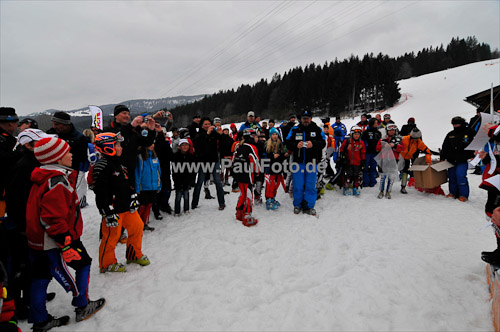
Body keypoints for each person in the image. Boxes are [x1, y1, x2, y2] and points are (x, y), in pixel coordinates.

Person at [26, 137, 105, 331]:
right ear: (56, 158)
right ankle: (82, 305)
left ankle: (40, 319)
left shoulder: (43, 175)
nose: (71, 155)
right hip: (56, 239)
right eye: (66, 152)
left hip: (39, 238)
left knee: (40, 276)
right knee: (84, 263)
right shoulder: (57, 180)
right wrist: (66, 243)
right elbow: (53, 217)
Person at [5, 129, 54, 319]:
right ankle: (18, 305)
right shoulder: (23, 166)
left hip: (31, 223)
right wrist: (23, 226)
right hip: (21, 226)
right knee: (21, 266)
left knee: (32, 265)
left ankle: (30, 298)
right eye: (41, 143)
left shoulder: (34, 162)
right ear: (29, 145)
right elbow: (16, 199)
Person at [92, 132, 150, 273]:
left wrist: (133, 197)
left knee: (137, 227)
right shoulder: (102, 166)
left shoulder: (120, 163)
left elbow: (128, 183)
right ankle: (107, 263)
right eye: (117, 145)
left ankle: (133, 254)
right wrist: (106, 210)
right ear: (107, 147)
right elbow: (100, 192)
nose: (121, 148)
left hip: (126, 206)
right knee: (112, 236)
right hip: (113, 209)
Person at [103, 105, 157, 189]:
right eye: (124, 113)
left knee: (129, 198)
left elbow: (146, 143)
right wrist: (131, 126)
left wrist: (152, 130)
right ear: (116, 116)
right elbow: (116, 137)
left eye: (128, 114)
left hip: (131, 171)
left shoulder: (133, 131)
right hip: (114, 171)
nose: (127, 116)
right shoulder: (108, 129)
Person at [285, 110, 326, 215]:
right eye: (304, 118)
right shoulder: (295, 129)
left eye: (307, 118)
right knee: (298, 185)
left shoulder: (317, 129)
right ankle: (297, 205)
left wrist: (313, 144)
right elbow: (287, 143)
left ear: (311, 118)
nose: (306, 120)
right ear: (301, 119)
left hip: (312, 162)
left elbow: (323, 143)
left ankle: (309, 205)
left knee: (310, 185)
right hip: (298, 163)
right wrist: (295, 145)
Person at [47, 112, 90, 204]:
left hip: (71, 172)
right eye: (53, 124)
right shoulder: (51, 134)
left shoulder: (79, 138)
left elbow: (80, 158)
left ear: (66, 124)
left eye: (57, 124)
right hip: (52, 171)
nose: (54, 127)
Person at [192, 118, 226, 210]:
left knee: (218, 182)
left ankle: (222, 203)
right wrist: (207, 134)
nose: (207, 126)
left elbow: (224, 143)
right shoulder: (199, 134)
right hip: (203, 162)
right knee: (199, 182)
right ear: (202, 125)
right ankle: (194, 203)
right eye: (205, 124)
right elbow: (198, 144)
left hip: (214, 160)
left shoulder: (214, 133)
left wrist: (221, 134)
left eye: (209, 124)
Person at [440, 116, 474, 202]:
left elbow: (475, 143)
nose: (455, 126)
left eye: (457, 124)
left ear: (461, 123)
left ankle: (463, 195)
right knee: (452, 177)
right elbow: (445, 146)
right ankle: (453, 193)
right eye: (453, 124)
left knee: (460, 176)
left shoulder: (469, 132)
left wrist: (472, 154)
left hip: (463, 159)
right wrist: (442, 157)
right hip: (451, 159)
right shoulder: (450, 134)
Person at [232, 129, 260, 226]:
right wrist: (257, 172)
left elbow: (233, 160)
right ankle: (247, 215)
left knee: (242, 193)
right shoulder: (252, 147)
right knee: (248, 194)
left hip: (238, 174)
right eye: (255, 136)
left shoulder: (239, 146)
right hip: (247, 175)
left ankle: (239, 213)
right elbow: (254, 161)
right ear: (251, 137)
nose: (257, 138)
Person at [135, 142, 162, 232]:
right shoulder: (140, 157)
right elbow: (138, 173)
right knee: (142, 206)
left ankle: (144, 223)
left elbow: (158, 172)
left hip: (153, 186)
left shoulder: (155, 156)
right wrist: (137, 187)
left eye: (153, 143)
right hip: (143, 187)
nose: (152, 145)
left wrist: (159, 185)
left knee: (149, 205)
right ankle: (137, 224)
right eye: (149, 144)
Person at [399, 128, 432, 193]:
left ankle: (403, 187)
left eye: (417, 138)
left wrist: (428, 161)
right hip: (399, 157)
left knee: (405, 172)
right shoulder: (404, 139)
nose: (416, 140)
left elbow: (427, 151)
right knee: (391, 172)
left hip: (407, 158)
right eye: (414, 138)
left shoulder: (419, 142)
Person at [376, 123, 403, 199]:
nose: (391, 132)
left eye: (393, 130)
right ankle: (381, 191)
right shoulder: (383, 138)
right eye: (389, 130)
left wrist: (394, 145)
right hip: (384, 159)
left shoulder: (399, 139)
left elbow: (402, 148)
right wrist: (384, 145)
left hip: (393, 160)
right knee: (383, 177)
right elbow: (377, 147)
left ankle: (388, 191)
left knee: (391, 177)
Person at [172, 139, 196, 216]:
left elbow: (193, 169)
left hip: (187, 179)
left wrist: (191, 179)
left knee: (186, 195)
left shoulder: (191, 156)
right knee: (178, 196)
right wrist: (176, 180)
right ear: (179, 147)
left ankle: (186, 209)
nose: (185, 146)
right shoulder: (176, 156)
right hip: (178, 179)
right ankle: (177, 211)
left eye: (186, 145)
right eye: (183, 145)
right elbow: (174, 170)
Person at [263, 127, 285, 210]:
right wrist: (272, 156)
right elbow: (264, 155)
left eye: (276, 134)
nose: (275, 136)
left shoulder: (280, 144)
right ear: (270, 135)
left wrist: (283, 155)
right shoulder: (267, 144)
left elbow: (282, 154)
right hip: (269, 168)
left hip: (278, 167)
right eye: (273, 134)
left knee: (276, 184)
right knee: (270, 184)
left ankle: (273, 197)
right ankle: (268, 200)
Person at [340, 126, 366, 196]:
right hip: (348, 162)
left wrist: (363, 160)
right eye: (355, 134)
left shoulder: (361, 143)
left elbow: (363, 152)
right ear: (352, 134)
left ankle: (355, 187)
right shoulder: (348, 141)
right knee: (348, 175)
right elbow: (341, 148)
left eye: (358, 134)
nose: (356, 136)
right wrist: (343, 156)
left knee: (356, 176)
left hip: (357, 162)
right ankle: (346, 188)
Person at [361, 118, 382, 187]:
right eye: (375, 123)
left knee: (373, 167)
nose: (376, 124)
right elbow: (362, 141)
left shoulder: (378, 132)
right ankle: (366, 182)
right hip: (367, 153)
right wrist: (366, 146)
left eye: (377, 123)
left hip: (375, 153)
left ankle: (372, 181)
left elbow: (380, 142)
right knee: (365, 167)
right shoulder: (366, 132)